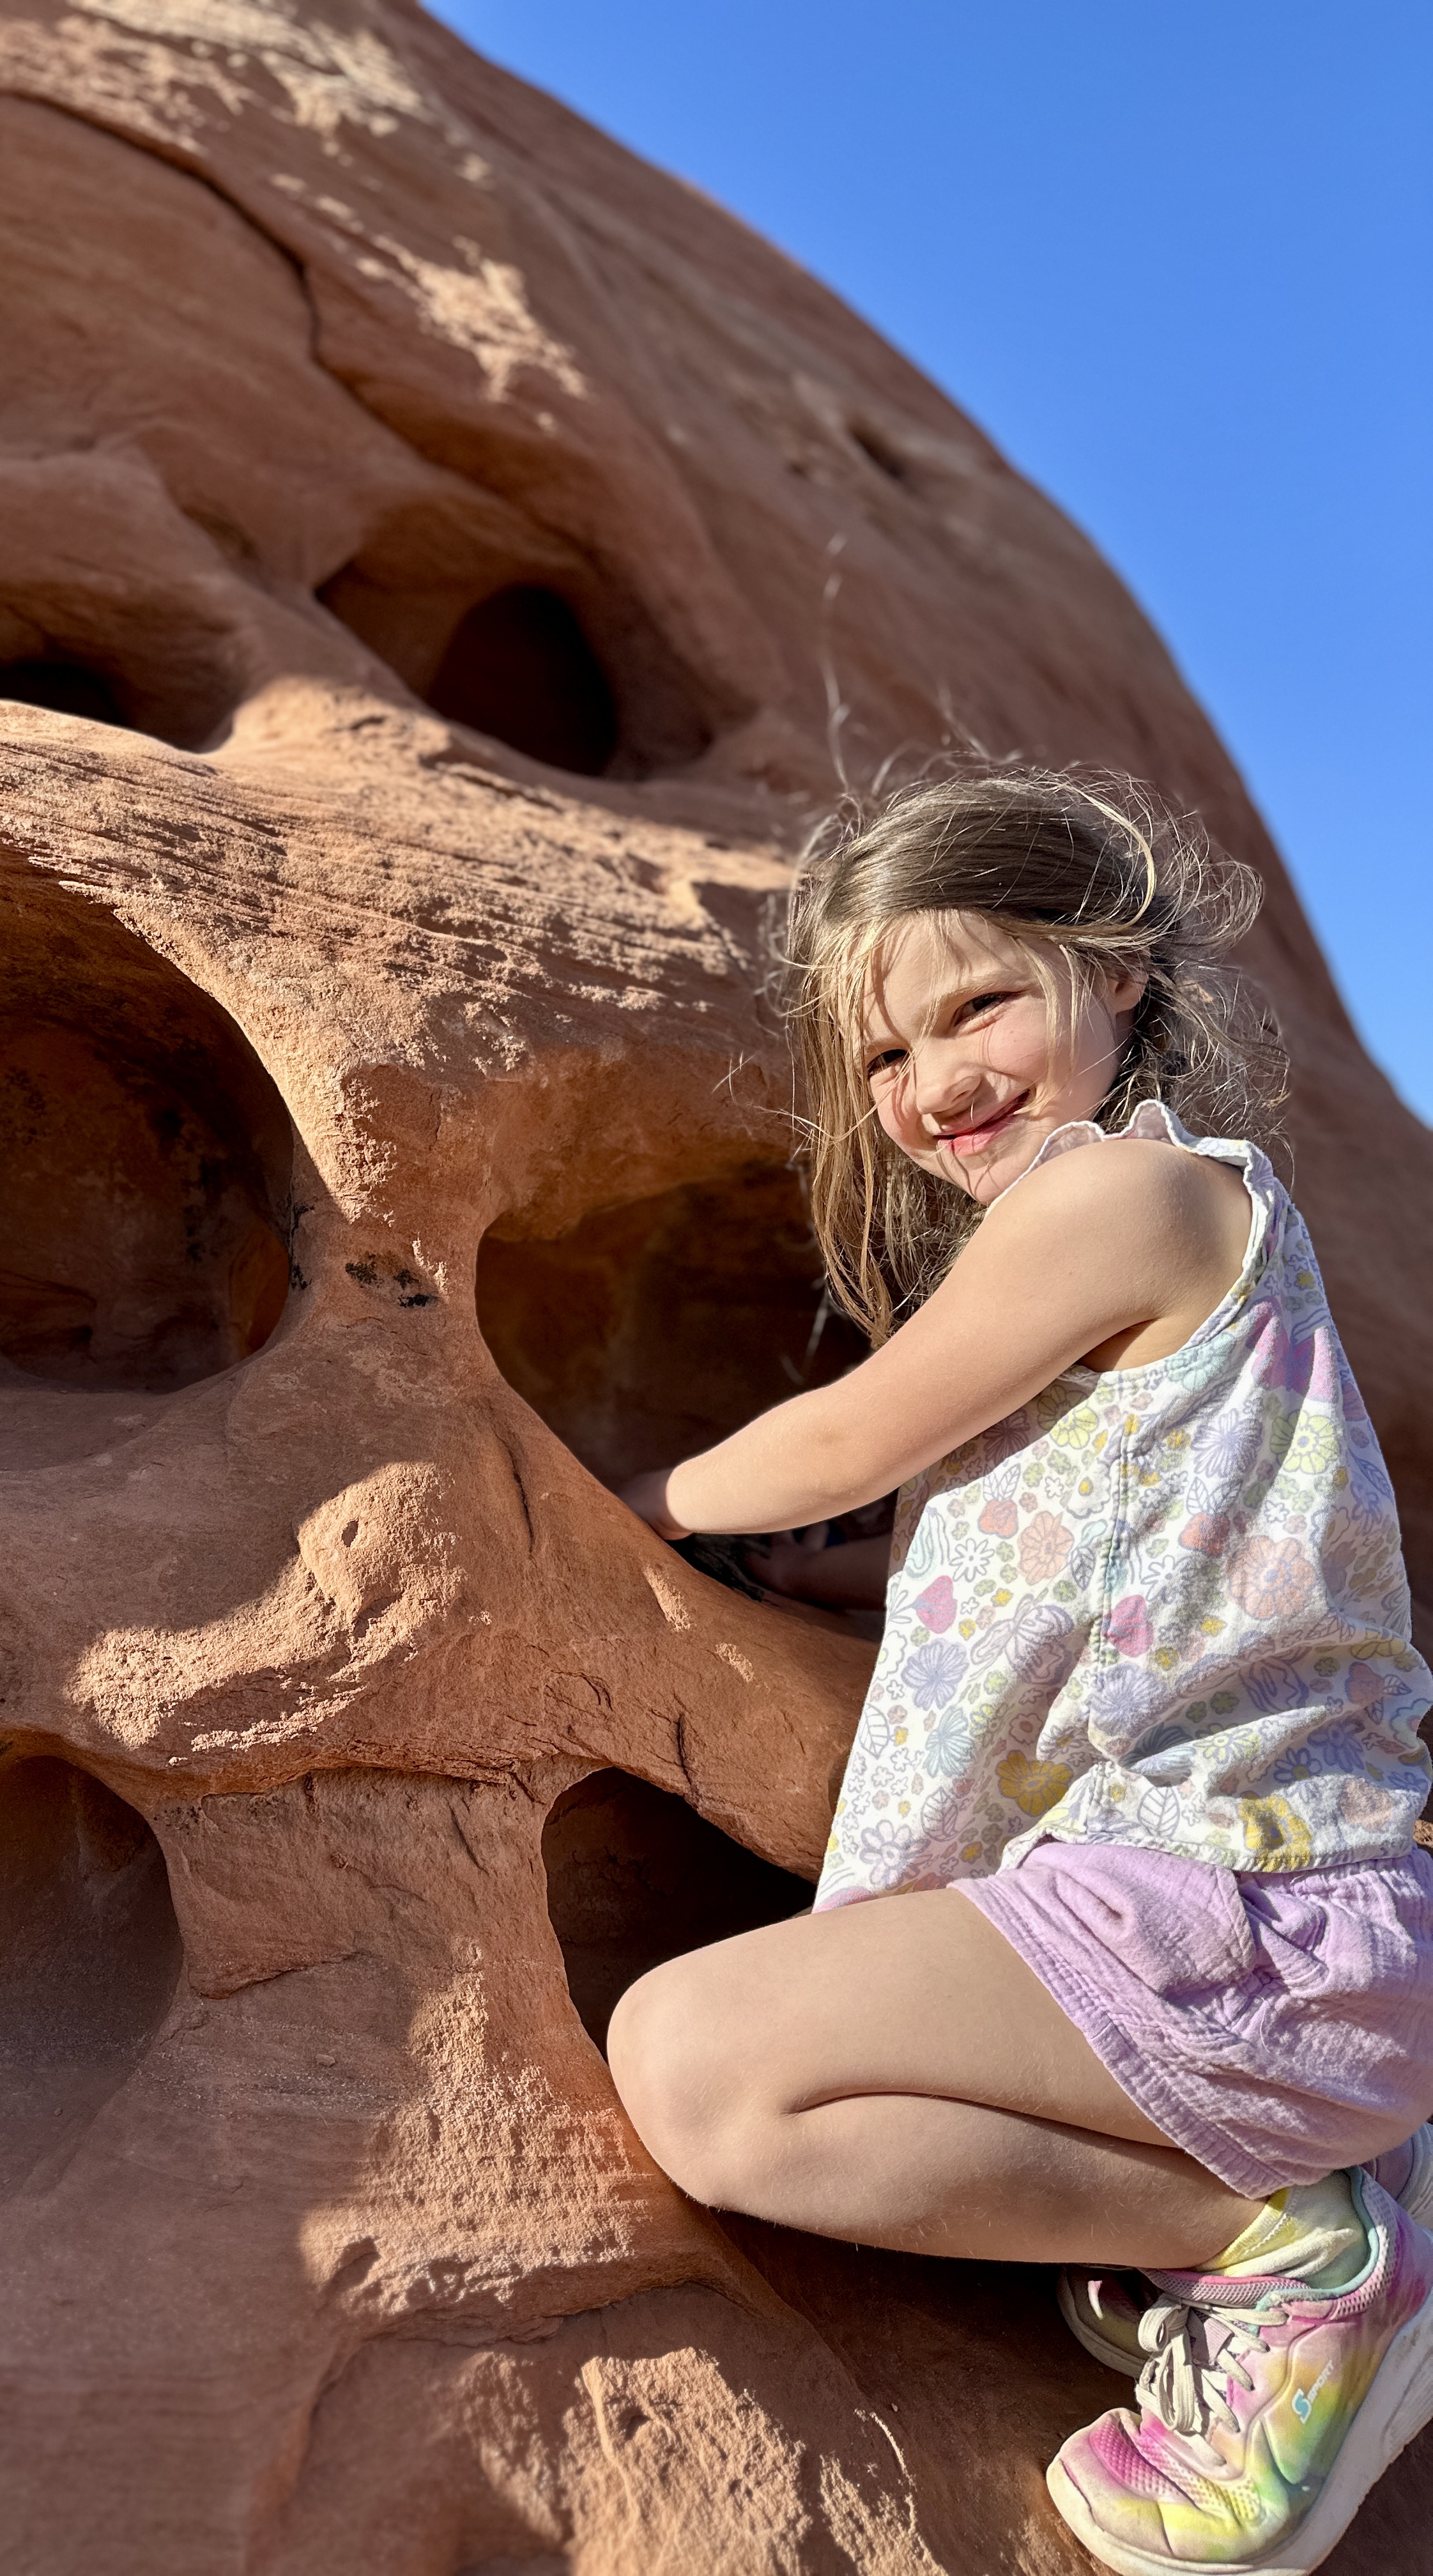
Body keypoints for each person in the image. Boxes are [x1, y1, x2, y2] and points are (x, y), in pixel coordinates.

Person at [611, 771, 1433, 2575]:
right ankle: (1286, 2201)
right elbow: (963, 1544)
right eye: (887, 1055)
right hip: (1238, 1920)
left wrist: (623, 1497)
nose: (934, 1084)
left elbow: (843, 1441)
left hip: (1249, 1913)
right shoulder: (1118, 1269)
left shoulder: (1126, 1199)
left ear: (1118, 970)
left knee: (694, 2066)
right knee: (716, 2063)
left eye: (979, 1002)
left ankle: (1284, 2254)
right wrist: (820, 1579)